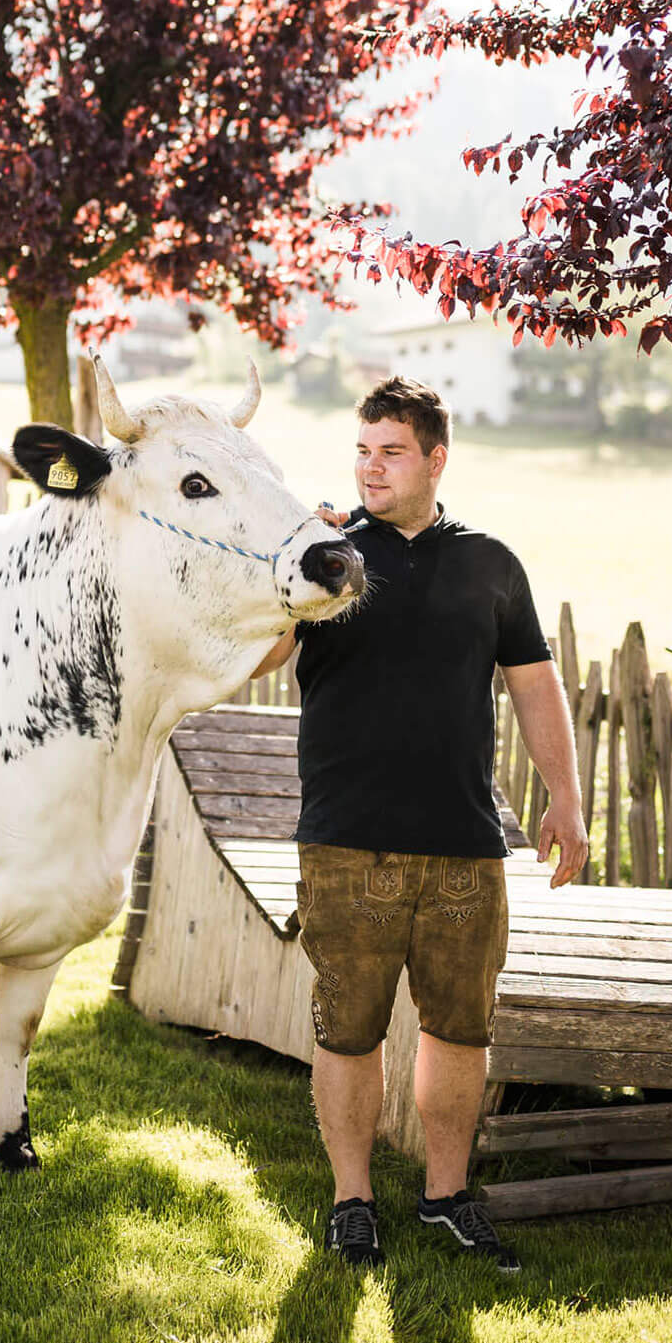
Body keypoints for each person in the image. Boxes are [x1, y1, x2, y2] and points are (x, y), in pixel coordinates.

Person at [252, 375, 589, 1274]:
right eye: (363, 450)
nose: (372, 467)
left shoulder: (490, 563)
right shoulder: (327, 555)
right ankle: (350, 1202)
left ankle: (446, 1196)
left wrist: (566, 797)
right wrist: (297, 562)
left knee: (459, 1031)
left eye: (391, 451)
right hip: (345, 839)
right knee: (348, 1030)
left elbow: (533, 686)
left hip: (463, 846)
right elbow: (267, 653)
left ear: (436, 458)